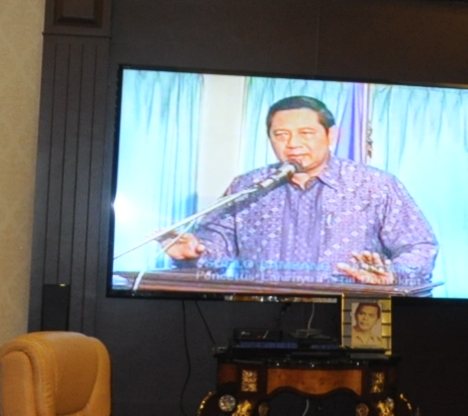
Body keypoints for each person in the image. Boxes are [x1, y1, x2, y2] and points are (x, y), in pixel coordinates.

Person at [161, 95, 438, 289]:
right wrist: (192, 253)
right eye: (281, 135)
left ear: (331, 136)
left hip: (351, 314)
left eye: (306, 133)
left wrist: (392, 274)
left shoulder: (375, 185)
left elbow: (420, 247)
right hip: (262, 314)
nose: (292, 144)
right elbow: (214, 251)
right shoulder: (247, 186)